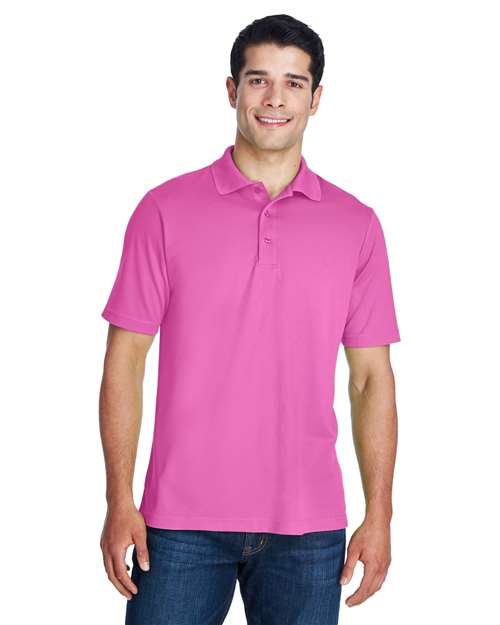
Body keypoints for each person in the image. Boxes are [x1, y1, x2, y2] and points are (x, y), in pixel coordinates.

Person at [99, 13, 401, 625]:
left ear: (316, 98)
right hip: (177, 522)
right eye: (259, 80)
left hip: (309, 525)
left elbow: (371, 379)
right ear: (232, 90)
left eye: (294, 83)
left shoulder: (357, 225)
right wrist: (118, 499)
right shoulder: (164, 210)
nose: (274, 99)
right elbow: (125, 361)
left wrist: (381, 514)